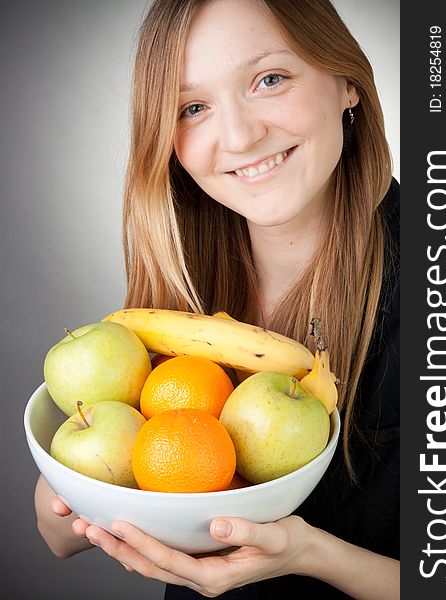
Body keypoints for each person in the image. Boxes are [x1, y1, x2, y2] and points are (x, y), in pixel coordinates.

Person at [34, 0, 400, 597]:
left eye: (270, 79)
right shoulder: (185, 282)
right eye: (193, 108)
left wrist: (312, 555)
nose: (238, 135)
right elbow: (56, 536)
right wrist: (80, 490)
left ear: (347, 83)